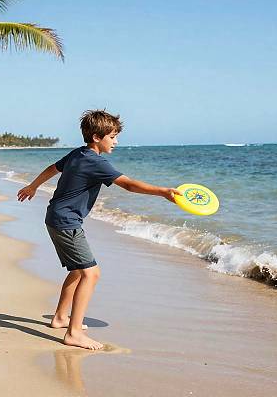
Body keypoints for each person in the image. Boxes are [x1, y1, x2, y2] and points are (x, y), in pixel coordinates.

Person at [17, 110, 181, 350]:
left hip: (56, 217)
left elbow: (52, 168)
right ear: (96, 137)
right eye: (112, 137)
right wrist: (163, 192)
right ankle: (73, 332)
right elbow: (129, 185)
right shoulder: (96, 161)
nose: (116, 142)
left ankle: (61, 318)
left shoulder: (78, 154)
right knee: (91, 274)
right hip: (66, 222)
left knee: (77, 270)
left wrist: (33, 186)